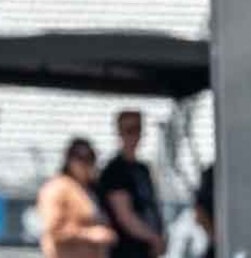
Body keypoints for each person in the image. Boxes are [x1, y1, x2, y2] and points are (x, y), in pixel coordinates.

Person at [98, 109, 165, 258]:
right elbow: (125, 216)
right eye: (128, 130)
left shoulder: (143, 169)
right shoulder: (114, 170)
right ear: (119, 132)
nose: (134, 135)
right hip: (125, 251)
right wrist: (154, 238)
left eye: (137, 129)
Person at [38, 138, 118, 258]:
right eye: (80, 158)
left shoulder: (90, 190)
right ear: (68, 160)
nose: (85, 164)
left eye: (90, 158)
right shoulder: (57, 188)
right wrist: (90, 235)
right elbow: (54, 230)